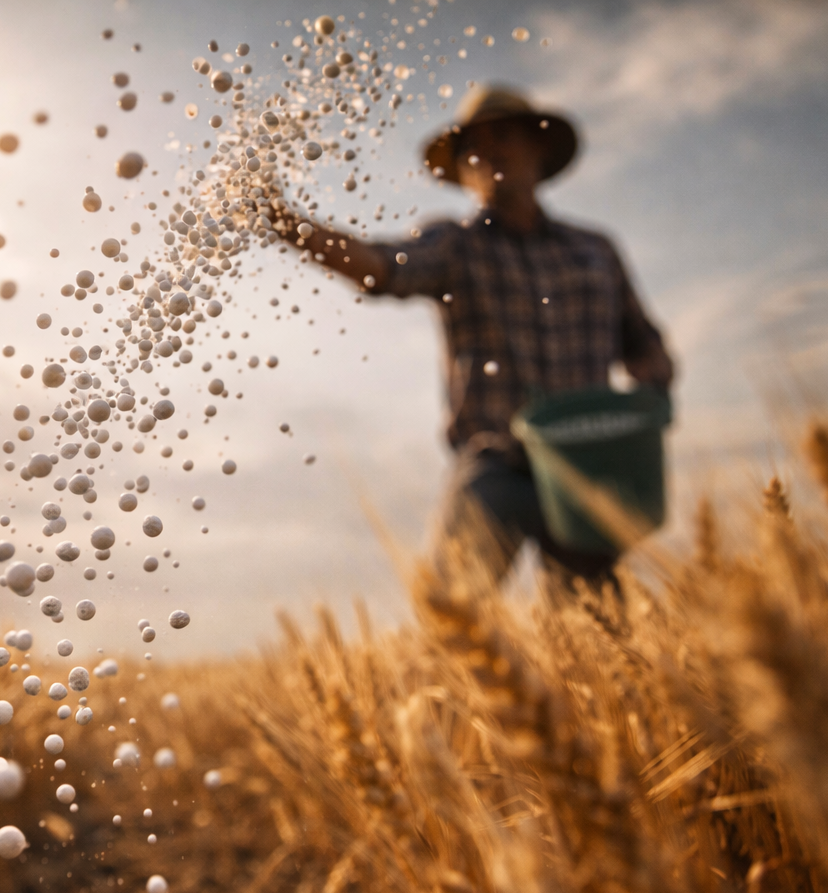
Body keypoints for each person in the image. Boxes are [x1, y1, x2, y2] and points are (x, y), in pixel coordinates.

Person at [284, 84, 675, 581]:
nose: (486, 151)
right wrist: (283, 221)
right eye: (472, 147)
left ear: (539, 149)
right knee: (455, 623)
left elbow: (643, 347)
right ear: (463, 173)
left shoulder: (596, 251)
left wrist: (652, 391)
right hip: (494, 467)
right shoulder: (455, 246)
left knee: (604, 641)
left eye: (503, 136)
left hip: (586, 472)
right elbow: (379, 266)